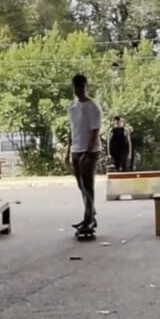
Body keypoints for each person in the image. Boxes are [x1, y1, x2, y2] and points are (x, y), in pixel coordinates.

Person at [66, 74, 102, 232]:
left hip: (89, 150)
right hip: (76, 149)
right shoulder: (73, 108)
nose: (79, 90)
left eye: (81, 86)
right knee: (81, 185)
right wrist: (68, 151)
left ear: (87, 87)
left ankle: (89, 218)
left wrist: (88, 152)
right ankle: (89, 214)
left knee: (88, 185)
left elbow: (95, 131)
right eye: (76, 86)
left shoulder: (93, 107)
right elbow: (72, 130)